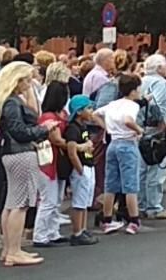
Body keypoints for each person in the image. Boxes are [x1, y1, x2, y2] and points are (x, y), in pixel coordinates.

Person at [0, 62, 60, 267]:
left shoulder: (4, 100)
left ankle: (9, 249)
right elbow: (20, 131)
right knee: (20, 203)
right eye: (26, 78)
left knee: (11, 203)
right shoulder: (13, 103)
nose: (30, 82)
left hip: (10, 153)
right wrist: (44, 130)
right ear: (17, 80)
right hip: (21, 153)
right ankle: (14, 251)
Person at [94, 73, 144, 235]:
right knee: (130, 185)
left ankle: (107, 220)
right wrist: (138, 130)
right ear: (133, 90)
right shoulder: (132, 106)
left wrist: (107, 128)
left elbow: (95, 114)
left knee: (111, 184)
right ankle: (133, 220)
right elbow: (128, 120)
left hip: (113, 144)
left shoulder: (113, 104)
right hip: (127, 144)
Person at [139, 55, 166, 220]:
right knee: (157, 169)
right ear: (159, 68)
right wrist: (161, 121)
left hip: (143, 127)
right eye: (165, 65)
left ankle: (141, 204)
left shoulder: (142, 80)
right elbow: (155, 102)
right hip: (156, 129)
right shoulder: (159, 82)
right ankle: (154, 206)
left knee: (142, 170)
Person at [33, 80, 70, 248]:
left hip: (53, 161)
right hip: (48, 162)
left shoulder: (51, 115)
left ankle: (52, 232)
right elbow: (56, 139)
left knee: (55, 199)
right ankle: (40, 235)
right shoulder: (50, 118)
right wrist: (71, 145)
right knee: (49, 200)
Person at [64, 95, 99, 245]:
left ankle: (83, 229)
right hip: (82, 167)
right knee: (79, 201)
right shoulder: (73, 129)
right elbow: (72, 151)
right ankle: (77, 231)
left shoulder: (84, 126)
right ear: (79, 111)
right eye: (88, 108)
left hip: (89, 164)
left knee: (85, 201)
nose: (91, 111)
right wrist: (79, 169)